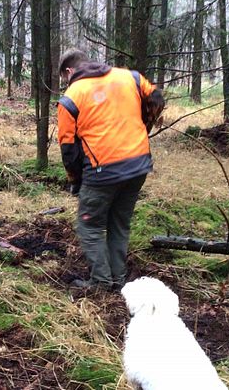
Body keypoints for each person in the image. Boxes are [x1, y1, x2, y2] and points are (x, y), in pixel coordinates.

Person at [56, 49, 165, 291]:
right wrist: (142, 128)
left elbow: (68, 148)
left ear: (69, 71)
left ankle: (101, 283)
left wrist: (76, 180)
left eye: (65, 78)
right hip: (138, 166)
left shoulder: (71, 96)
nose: (66, 83)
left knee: (90, 226)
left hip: (102, 171)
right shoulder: (130, 77)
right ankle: (119, 279)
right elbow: (156, 98)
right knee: (119, 223)